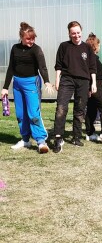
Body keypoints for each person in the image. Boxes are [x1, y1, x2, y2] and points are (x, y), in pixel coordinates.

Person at [1, 22, 54, 153]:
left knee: (33, 113)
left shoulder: (36, 49)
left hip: (32, 84)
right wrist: (5, 87)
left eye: (33, 38)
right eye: (28, 39)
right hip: (17, 84)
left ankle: (41, 141)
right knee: (20, 114)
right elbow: (11, 68)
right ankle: (25, 140)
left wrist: (47, 81)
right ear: (21, 37)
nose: (31, 41)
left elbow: (42, 66)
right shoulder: (15, 48)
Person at [53, 21, 97, 153]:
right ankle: (58, 138)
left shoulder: (87, 48)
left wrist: (93, 83)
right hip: (67, 80)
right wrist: (57, 80)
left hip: (83, 81)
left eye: (78, 32)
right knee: (61, 107)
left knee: (80, 110)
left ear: (81, 32)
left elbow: (92, 67)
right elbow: (58, 65)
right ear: (69, 33)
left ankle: (76, 136)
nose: (76, 35)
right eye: (73, 33)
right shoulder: (64, 46)